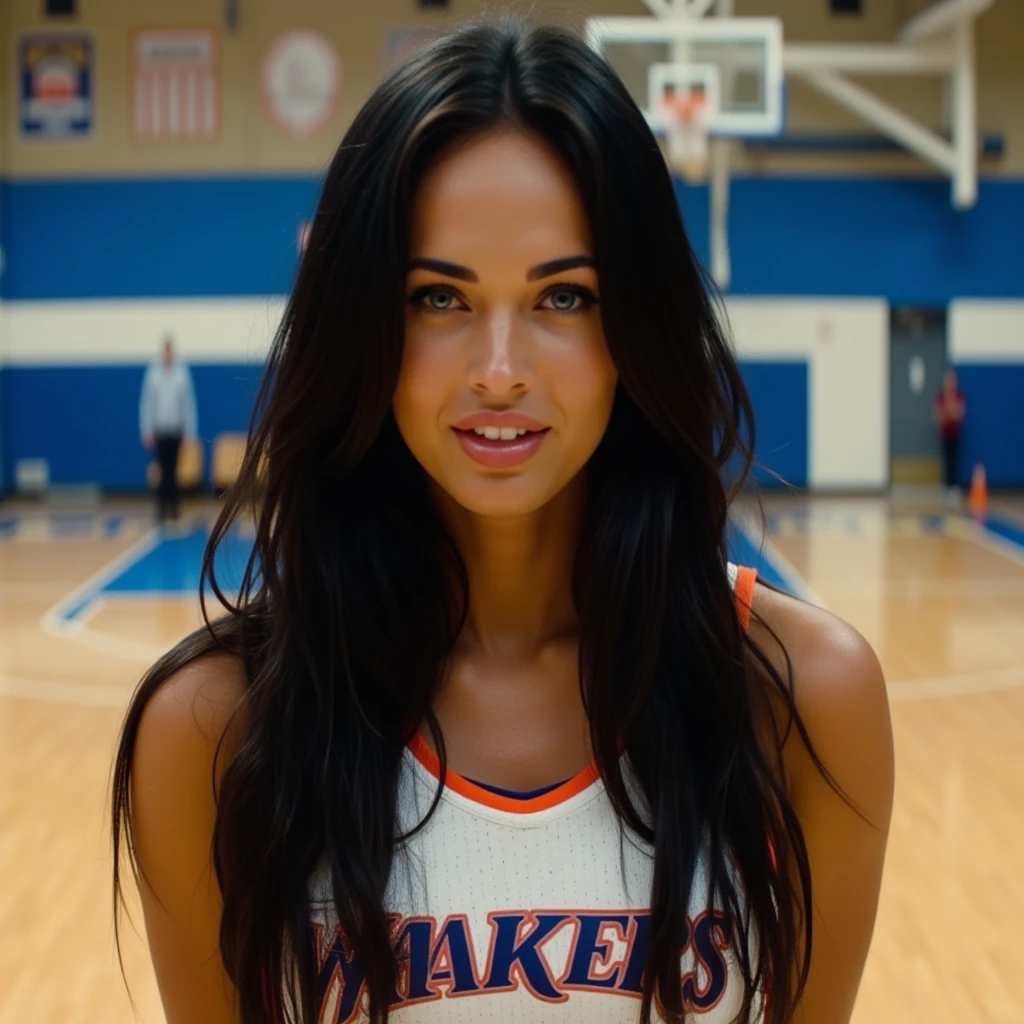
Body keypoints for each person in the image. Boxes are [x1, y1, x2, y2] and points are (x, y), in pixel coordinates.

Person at [112, 19, 893, 1024]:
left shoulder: (802, 703)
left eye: (563, 297)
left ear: (634, 330)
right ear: (367, 328)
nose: (497, 368)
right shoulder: (213, 730)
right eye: (438, 297)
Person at [139, 336, 198, 520]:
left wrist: (190, 432)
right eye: (165, 350)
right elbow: (147, 403)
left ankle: (174, 507)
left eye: (170, 350)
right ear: (162, 352)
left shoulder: (182, 373)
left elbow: (188, 404)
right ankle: (161, 507)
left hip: (176, 429)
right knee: (162, 470)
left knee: (173, 470)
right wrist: (146, 429)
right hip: (160, 430)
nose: (168, 354)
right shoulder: (153, 373)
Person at [935, 367, 966, 494]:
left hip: (955, 433)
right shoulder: (941, 396)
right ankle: (946, 485)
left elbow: (959, 413)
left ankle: (954, 486)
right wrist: (947, 412)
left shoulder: (958, 395)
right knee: (946, 460)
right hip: (945, 433)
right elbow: (938, 415)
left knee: (955, 460)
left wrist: (951, 411)